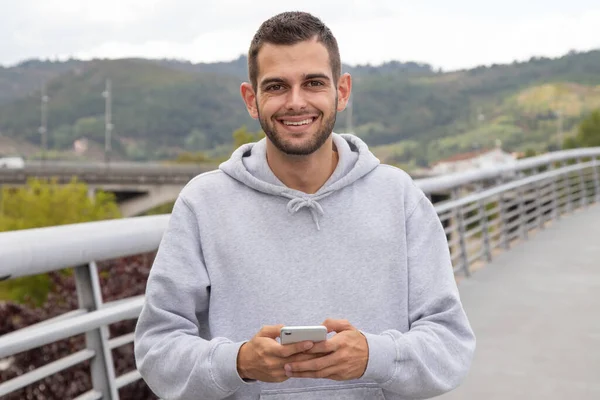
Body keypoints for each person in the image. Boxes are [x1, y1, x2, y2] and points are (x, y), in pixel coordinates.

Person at [134, 10, 475, 400]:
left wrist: (374, 357)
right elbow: (156, 349)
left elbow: (451, 346)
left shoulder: (399, 197)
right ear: (251, 99)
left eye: (313, 83)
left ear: (341, 91)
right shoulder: (203, 204)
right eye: (276, 86)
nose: (296, 102)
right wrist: (239, 363)